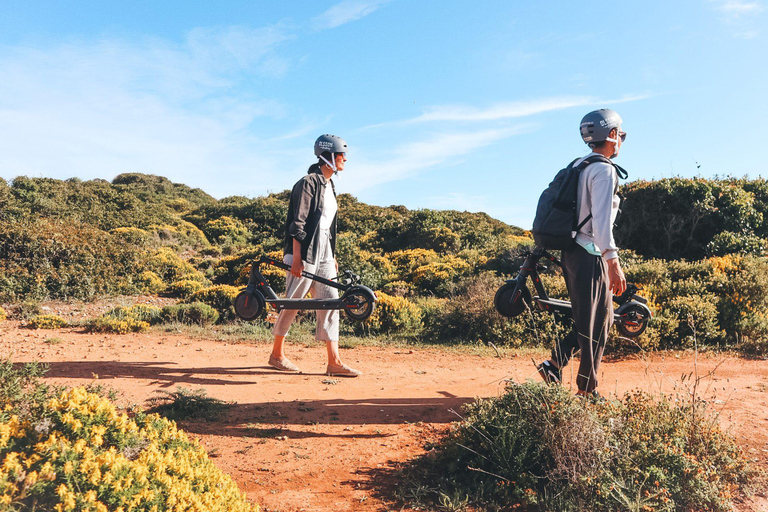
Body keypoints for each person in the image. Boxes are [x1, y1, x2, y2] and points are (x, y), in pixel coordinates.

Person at [537, 109, 628, 397]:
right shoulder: (603, 170)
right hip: (589, 255)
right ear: (611, 135)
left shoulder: (581, 164)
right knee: (595, 323)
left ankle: (555, 363)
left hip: (574, 251)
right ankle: (587, 391)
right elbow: (601, 223)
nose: (623, 139)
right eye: (621, 133)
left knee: (599, 319)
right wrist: (613, 262)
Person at [267, 134, 362, 377]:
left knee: (331, 302)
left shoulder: (330, 185)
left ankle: (334, 362)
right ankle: (276, 355)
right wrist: (296, 258)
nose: (345, 159)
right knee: (293, 302)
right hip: (305, 251)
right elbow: (298, 224)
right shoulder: (308, 183)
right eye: (342, 155)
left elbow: (328, 226)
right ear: (328, 156)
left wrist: (333, 255)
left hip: (325, 253)